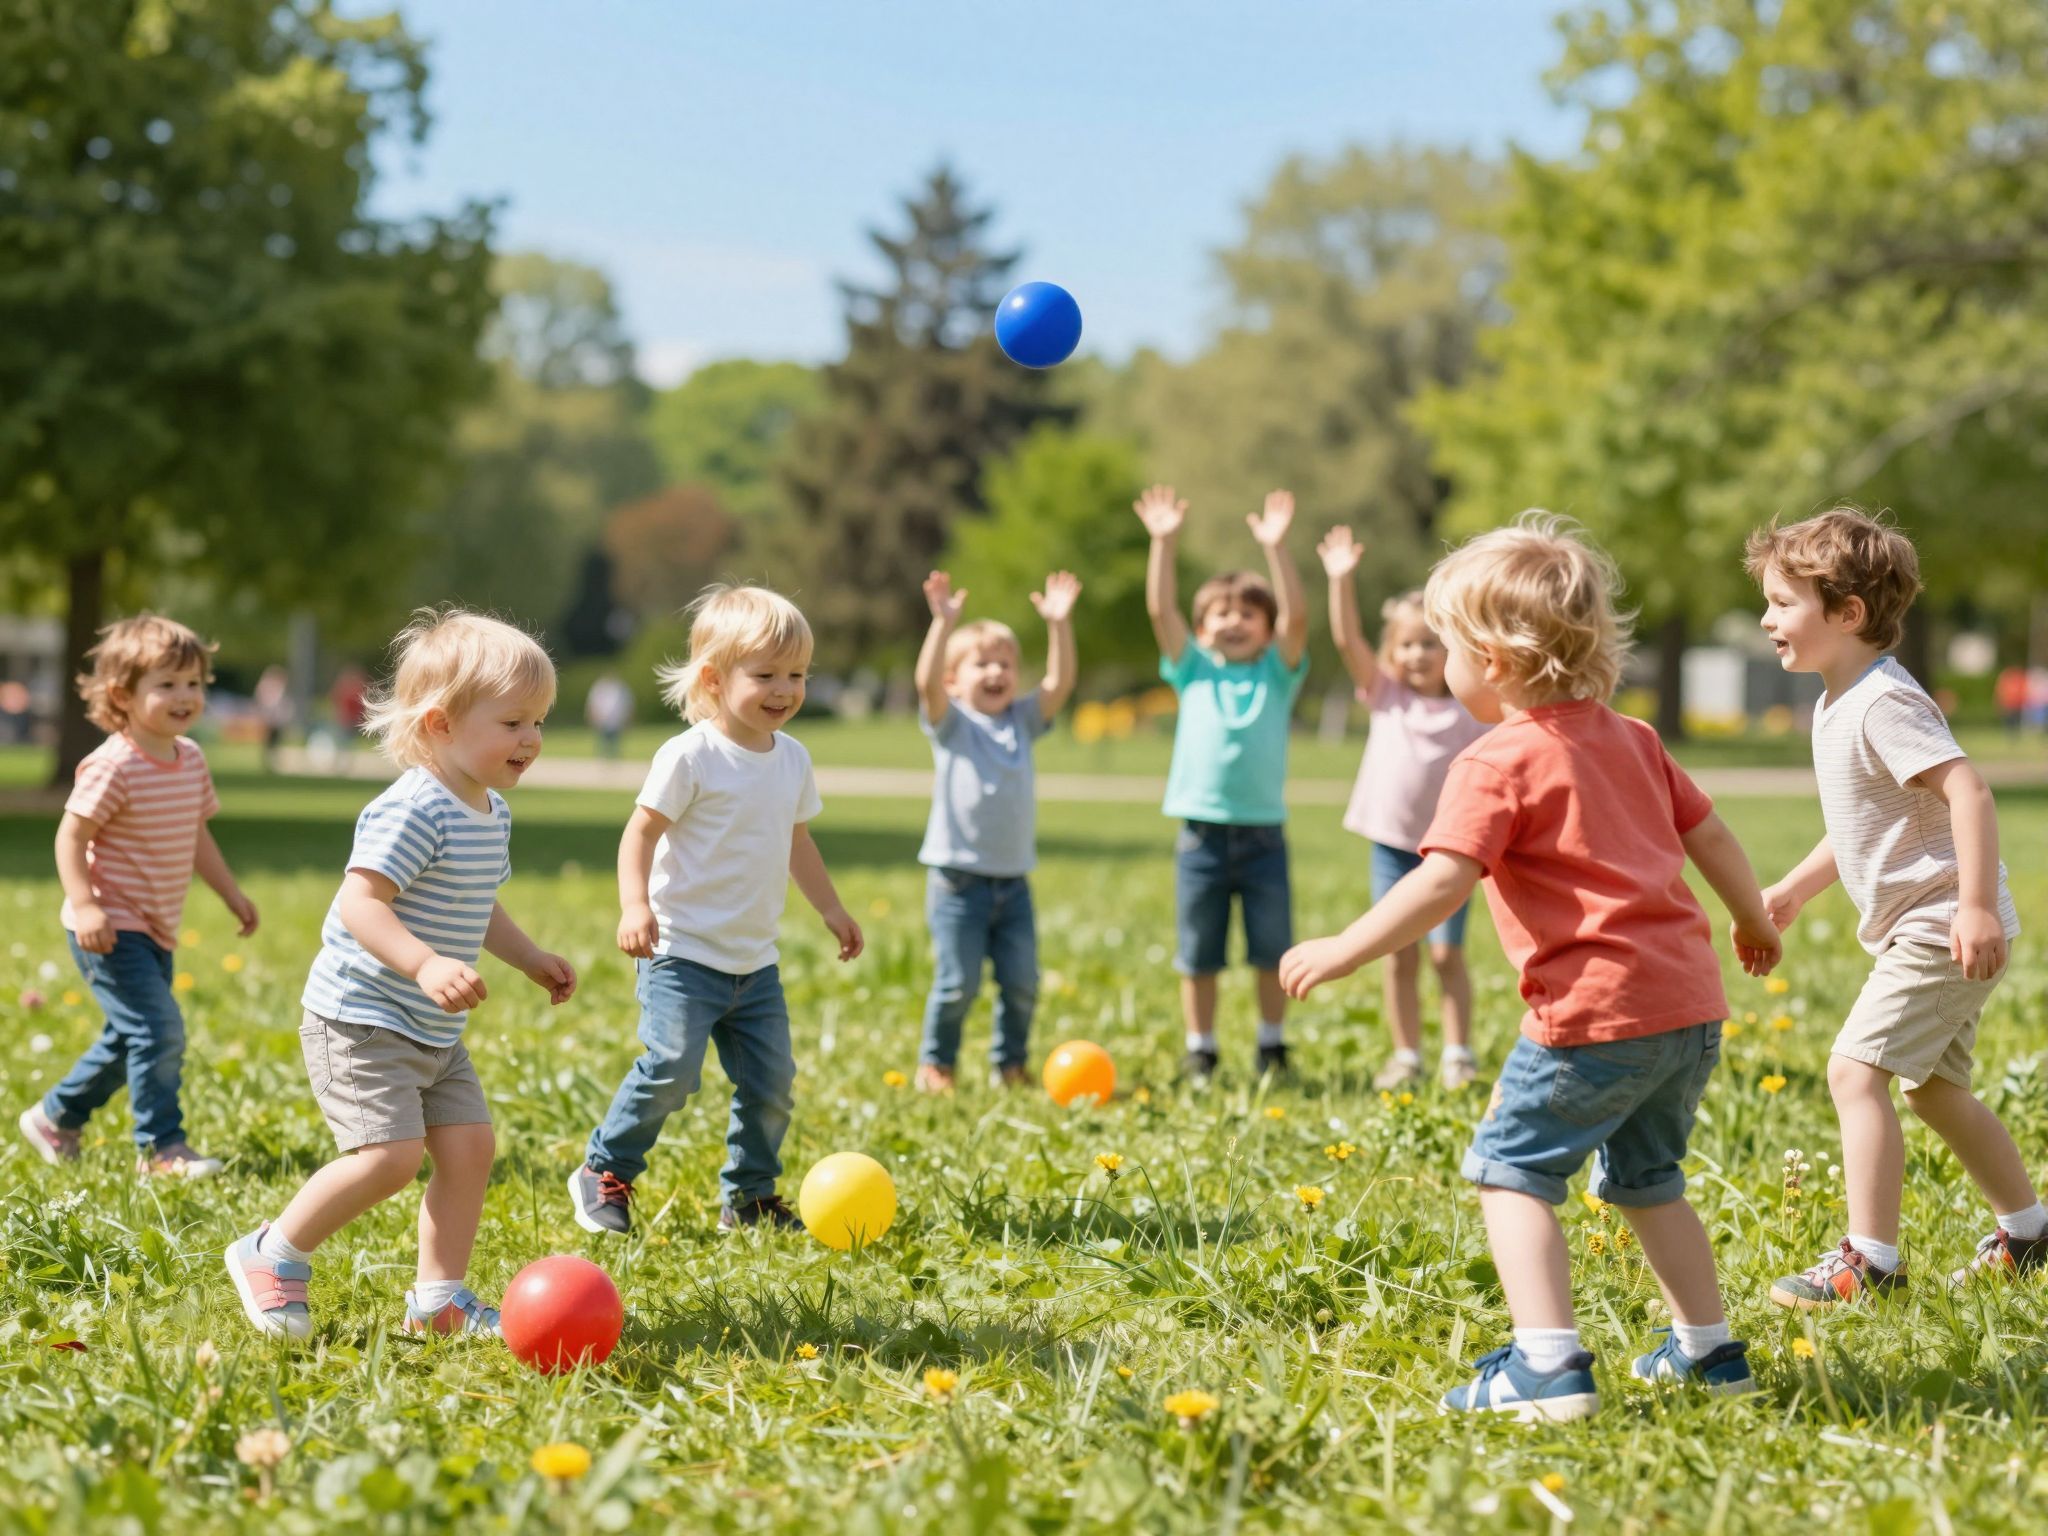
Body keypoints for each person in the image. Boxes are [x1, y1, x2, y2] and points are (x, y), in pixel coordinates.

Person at [1281, 512, 1780, 1419]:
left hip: (1591, 1015)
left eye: (1446, 647)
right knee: (1651, 1182)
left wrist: (1345, 948)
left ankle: (1547, 1367)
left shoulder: (1495, 759)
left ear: (1493, 660)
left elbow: (1443, 882)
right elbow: (1709, 833)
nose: (1441, 664)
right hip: (1687, 1009)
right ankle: (1711, 1356)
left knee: (1508, 1173)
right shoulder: (1635, 739)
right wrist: (1751, 917)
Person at [225, 610, 575, 1340]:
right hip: (361, 1019)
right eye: (513, 722)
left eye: (539, 721)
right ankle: (272, 1252)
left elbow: (478, 904)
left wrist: (530, 958)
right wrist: (425, 962)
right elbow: (360, 902)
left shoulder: (491, 812)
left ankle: (438, 1299)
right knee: (389, 1159)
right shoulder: (415, 808)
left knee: (470, 1149)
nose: (532, 739)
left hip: (431, 1028)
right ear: (442, 724)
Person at [1747, 509, 2045, 1307]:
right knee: (1930, 1091)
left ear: (1847, 613)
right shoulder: (1837, 701)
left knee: (1854, 1073)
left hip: (1941, 925)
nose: (1766, 619)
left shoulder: (1881, 701)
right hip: (1928, 924)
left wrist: (1975, 907)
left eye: (1783, 603)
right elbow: (1861, 821)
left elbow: (1968, 792)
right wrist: (1795, 888)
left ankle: (1870, 1261)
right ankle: (2030, 1232)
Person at [568, 585, 863, 1239]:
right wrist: (635, 905)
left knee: (772, 1084)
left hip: (754, 964)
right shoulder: (690, 755)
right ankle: (605, 1167)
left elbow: (798, 841)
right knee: (672, 1069)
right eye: (766, 675)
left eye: (797, 675)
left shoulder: (793, 759)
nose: (784, 690)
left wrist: (832, 908)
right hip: (681, 953)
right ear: (713, 679)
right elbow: (640, 832)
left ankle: (749, 1198)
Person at [20, 615, 258, 1179]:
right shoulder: (114, 764)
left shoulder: (190, 758)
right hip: (109, 925)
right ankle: (161, 1149)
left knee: (132, 1038)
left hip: (156, 926)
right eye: (167, 684)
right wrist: (86, 906)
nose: (186, 696)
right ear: (122, 695)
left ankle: (57, 1116)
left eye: (194, 683)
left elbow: (196, 835)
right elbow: (70, 836)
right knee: (158, 1030)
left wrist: (231, 893)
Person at [1135, 483, 1309, 1081]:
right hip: (1200, 837)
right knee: (1198, 953)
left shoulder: (1278, 673)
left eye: (1248, 614)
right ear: (1202, 628)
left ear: (1267, 628)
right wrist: (1163, 543)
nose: (1233, 622)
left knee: (1272, 951)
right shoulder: (1192, 669)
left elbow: (1298, 617)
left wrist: (1276, 548)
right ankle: (1201, 1048)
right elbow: (1160, 610)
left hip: (1264, 838)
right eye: (1219, 614)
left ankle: (1271, 1044)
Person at [1320, 526, 1491, 1091]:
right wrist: (1341, 580)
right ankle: (1406, 1055)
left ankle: (1458, 1054)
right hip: (1393, 848)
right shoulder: (1386, 695)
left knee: (1446, 956)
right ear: (1392, 652)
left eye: (1431, 644)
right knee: (1398, 954)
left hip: (1451, 853)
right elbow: (1347, 640)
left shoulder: (1472, 708)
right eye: (1408, 644)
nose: (1419, 654)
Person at [910, 568, 1080, 1093]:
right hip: (957, 884)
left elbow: (1060, 683)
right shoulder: (952, 723)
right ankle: (937, 1064)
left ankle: (1010, 1064)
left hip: (1013, 884)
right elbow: (924, 683)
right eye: (981, 663)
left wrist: (1058, 625)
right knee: (957, 984)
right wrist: (942, 625)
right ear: (954, 681)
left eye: (1005, 664)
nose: (996, 672)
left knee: (1023, 982)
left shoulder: (1022, 721)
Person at [254, 664, 294, 771]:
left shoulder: (276, 688)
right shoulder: (269, 687)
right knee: (270, 742)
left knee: (274, 742)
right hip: (270, 719)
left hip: (276, 720)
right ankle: (269, 761)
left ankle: (271, 760)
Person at [586, 673, 633, 760]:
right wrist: (594, 716)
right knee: (602, 743)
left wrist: (627, 719)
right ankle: (603, 758)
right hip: (603, 720)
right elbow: (593, 704)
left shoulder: (621, 688)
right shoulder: (600, 687)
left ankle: (613, 758)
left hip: (616, 721)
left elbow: (628, 705)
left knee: (615, 743)